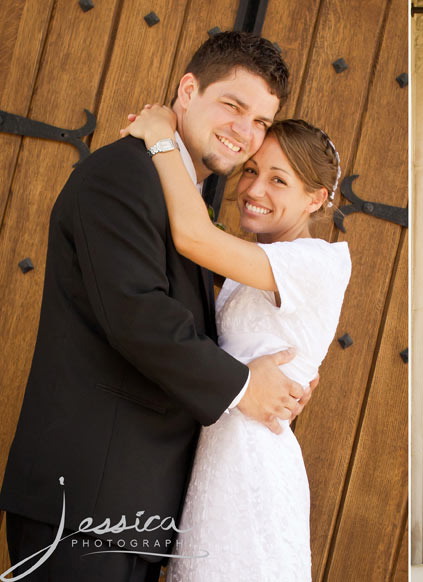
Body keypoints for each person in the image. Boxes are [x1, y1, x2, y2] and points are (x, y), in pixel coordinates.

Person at [0, 32, 305, 582]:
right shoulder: (123, 175)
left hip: (129, 508)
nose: (245, 132)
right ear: (188, 91)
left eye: (260, 121)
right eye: (233, 106)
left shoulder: (176, 193)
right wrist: (243, 386)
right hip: (86, 502)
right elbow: (137, 315)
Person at [121, 105, 350, 581]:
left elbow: (192, 236)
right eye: (250, 171)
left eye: (278, 180)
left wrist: (163, 138)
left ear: (317, 198)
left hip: (252, 469)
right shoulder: (259, 264)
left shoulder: (316, 261)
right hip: (216, 457)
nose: (253, 190)